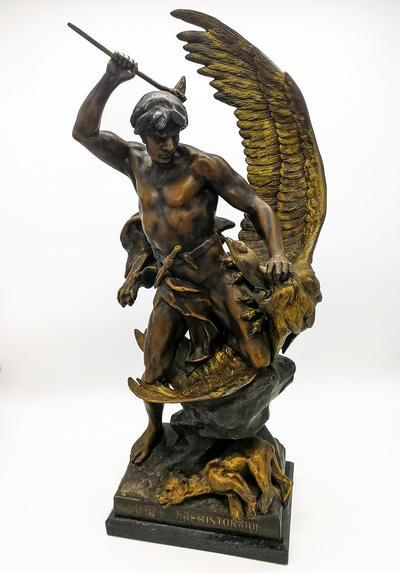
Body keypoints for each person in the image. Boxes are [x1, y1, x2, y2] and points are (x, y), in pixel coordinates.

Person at [73, 53, 292, 464]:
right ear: (142, 135)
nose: (169, 145)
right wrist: (110, 79)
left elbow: (258, 205)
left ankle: (235, 418)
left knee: (261, 357)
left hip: (214, 275)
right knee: (153, 365)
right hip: (172, 282)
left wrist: (277, 253)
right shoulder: (133, 161)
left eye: (174, 135)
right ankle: (155, 427)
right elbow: (84, 132)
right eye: (160, 138)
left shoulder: (204, 166)